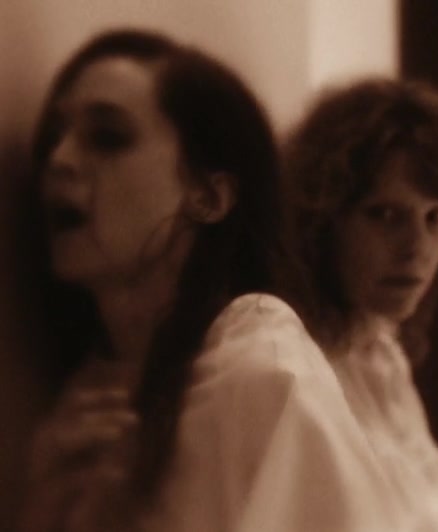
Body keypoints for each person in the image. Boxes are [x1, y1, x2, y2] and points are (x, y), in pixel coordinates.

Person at [20, 28, 380, 532]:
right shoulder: (87, 405)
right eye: (56, 137)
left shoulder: (263, 372)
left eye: (108, 138)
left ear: (208, 197)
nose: (59, 160)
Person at [282, 78, 438, 531]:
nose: (417, 247)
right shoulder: (289, 372)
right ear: (322, 220)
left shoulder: (384, 357)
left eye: (437, 217)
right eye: (386, 215)